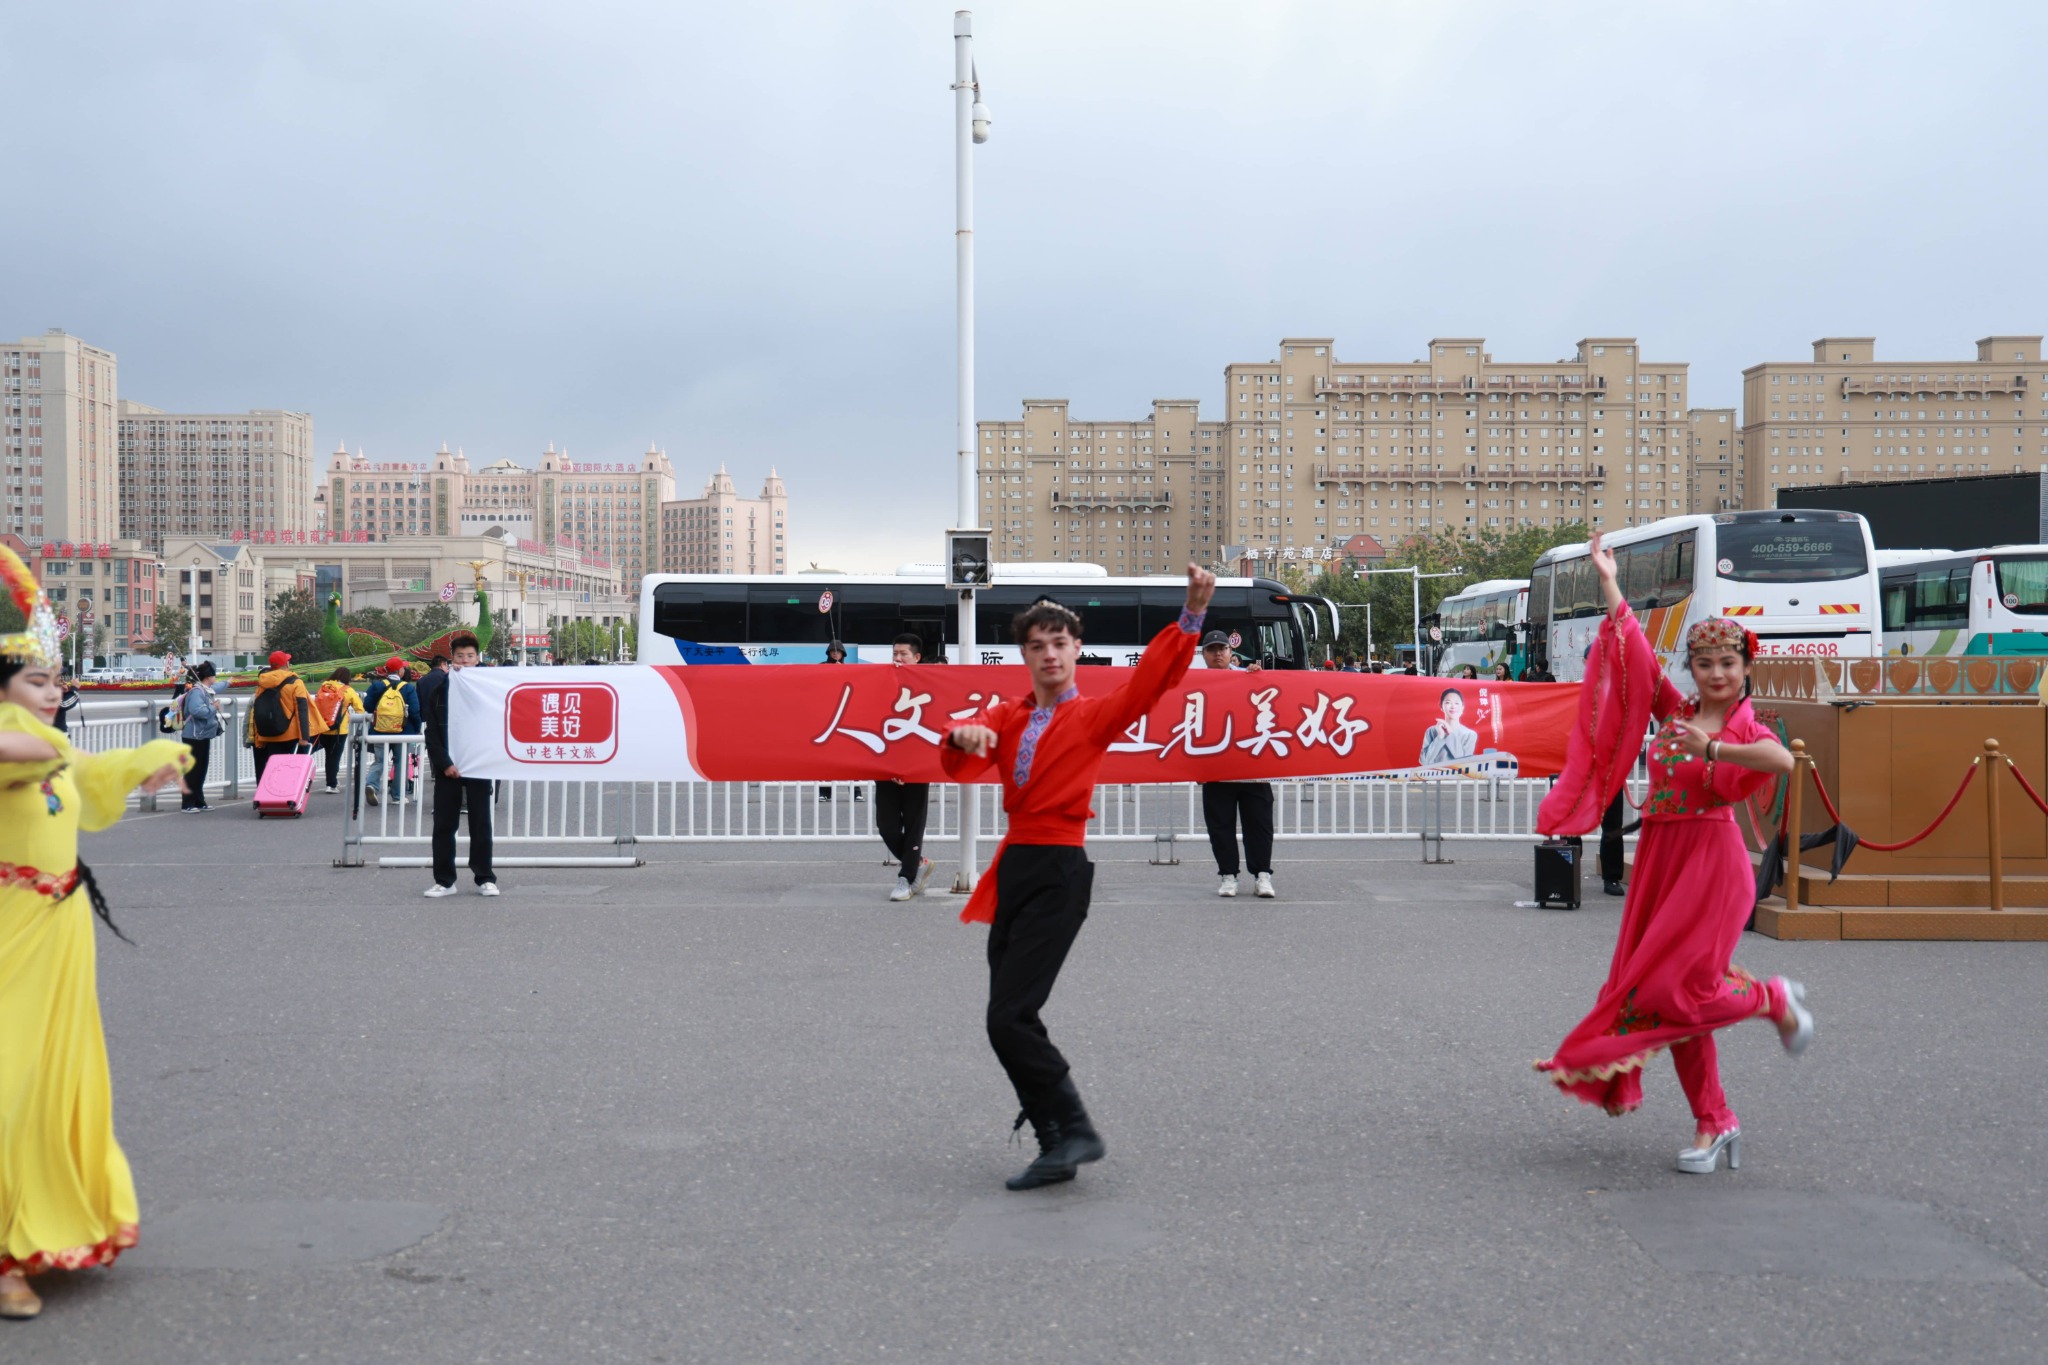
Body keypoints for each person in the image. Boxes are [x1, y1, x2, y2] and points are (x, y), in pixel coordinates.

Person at [1535, 531, 1814, 1176]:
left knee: (1679, 991)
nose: (1717, 674)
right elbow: (1633, 652)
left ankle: (1772, 998)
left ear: (1747, 669)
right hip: (1663, 861)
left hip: (1712, 867)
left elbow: (1779, 759)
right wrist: (1608, 581)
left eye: (1729, 665)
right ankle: (1715, 1123)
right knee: (1669, 1002)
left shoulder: (1743, 726)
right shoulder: (1678, 709)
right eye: (1707, 663)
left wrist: (1712, 751)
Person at [941, 563, 1214, 1192]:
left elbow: (1149, 685)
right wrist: (961, 737)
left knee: (1008, 1018)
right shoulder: (1007, 717)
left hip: (1059, 870)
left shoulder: (1091, 717)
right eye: (1036, 646)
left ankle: (1071, 1129)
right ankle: (1058, 1138)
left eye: (1059, 643)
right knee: (1010, 1015)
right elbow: (956, 762)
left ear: (1077, 648)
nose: (1049, 654)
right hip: (1016, 868)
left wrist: (1191, 617)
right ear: (1024, 656)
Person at [0, 545, 189, 1319]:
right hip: (11, 932)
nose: (53, 692)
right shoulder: (24, 741)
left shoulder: (52, 745)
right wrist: (40, 740)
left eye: (55, 680)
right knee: (7, 1083)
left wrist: (152, 760)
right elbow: (33, 752)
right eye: (37, 680)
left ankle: (32, 1237)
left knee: (54, 1085)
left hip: (63, 928)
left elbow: (91, 775)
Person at [1197, 629, 1275, 899]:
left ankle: (1262, 875)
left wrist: (1258, 675)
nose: (1218, 653)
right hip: (1215, 767)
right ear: (1203, 654)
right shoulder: (1193, 685)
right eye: (1212, 649)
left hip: (1253, 765)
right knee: (1220, 826)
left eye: (1222, 649)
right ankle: (1227, 876)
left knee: (1260, 824)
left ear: (1232, 653)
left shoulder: (1249, 678)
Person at [421, 632, 498, 898]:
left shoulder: (489, 690)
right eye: (459, 657)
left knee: (480, 824)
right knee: (444, 825)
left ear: (478, 659)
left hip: (478, 766)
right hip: (448, 768)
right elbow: (432, 732)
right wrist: (444, 764)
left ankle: (485, 878)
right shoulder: (439, 689)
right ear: (450, 660)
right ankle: (444, 880)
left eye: (470, 657)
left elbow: (496, 727)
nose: (465, 662)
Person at [878, 633, 935, 902]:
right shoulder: (882, 682)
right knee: (886, 826)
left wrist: (910, 766)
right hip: (886, 765)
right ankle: (917, 864)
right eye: (894, 653)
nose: (897, 658)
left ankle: (906, 877)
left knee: (913, 825)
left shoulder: (930, 684)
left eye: (903, 654)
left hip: (916, 767)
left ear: (917, 657)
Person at [246, 650, 317, 783]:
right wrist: (304, 737)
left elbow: (259, 708)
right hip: (291, 734)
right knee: (292, 769)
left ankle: (272, 796)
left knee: (274, 768)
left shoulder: (263, 682)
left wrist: (258, 737)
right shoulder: (295, 682)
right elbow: (302, 709)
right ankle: (287, 796)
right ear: (286, 664)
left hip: (269, 733)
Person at [362, 659, 420, 806]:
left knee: (380, 760)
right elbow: (414, 710)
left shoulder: (377, 686)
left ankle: (371, 785)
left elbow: (367, 706)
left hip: (380, 730)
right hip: (402, 731)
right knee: (400, 763)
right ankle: (398, 796)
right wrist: (417, 728)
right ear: (400, 671)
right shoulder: (407, 688)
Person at [818, 640, 862, 802]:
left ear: (843, 654)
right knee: (826, 758)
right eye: (832, 651)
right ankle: (824, 792)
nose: (835, 654)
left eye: (838, 651)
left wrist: (843, 672)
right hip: (827, 718)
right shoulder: (821, 667)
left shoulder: (850, 669)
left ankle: (856, 791)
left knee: (850, 758)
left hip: (846, 717)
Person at [312, 667, 365, 795]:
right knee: (333, 757)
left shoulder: (324, 686)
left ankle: (298, 778)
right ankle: (331, 785)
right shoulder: (348, 691)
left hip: (321, 728)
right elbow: (360, 710)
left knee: (311, 752)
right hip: (338, 730)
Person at [179, 661, 222, 811]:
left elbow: (217, 688)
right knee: (192, 771)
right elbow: (197, 711)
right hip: (193, 736)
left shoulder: (204, 689)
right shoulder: (197, 691)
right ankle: (187, 804)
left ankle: (199, 801)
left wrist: (228, 683)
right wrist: (213, 708)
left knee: (201, 769)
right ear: (209, 677)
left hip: (202, 735)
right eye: (214, 675)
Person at [1418, 688, 1479, 766]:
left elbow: (1464, 762)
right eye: (1448, 702)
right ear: (1441, 706)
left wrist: (1451, 734)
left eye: (1457, 703)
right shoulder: (1432, 731)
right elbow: (1424, 761)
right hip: (1434, 777)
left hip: (1457, 777)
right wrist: (1440, 737)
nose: (1453, 706)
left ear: (1462, 707)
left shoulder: (1470, 734)